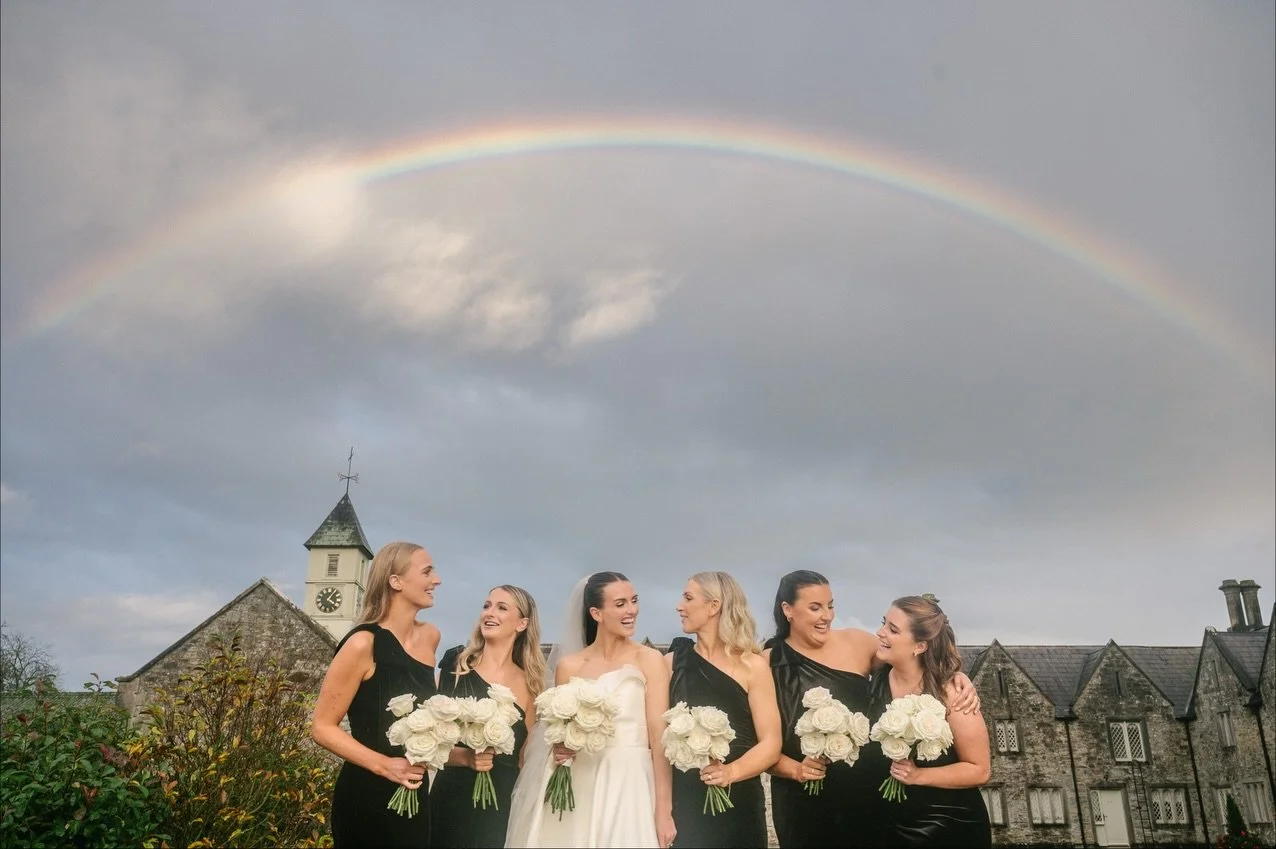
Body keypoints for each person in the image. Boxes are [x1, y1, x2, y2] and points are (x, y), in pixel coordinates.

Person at [763, 571, 980, 849]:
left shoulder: (858, 643)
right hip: (802, 803)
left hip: (868, 797)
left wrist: (953, 675)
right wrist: (796, 770)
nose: (827, 616)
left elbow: (914, 654)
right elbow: (760, 744)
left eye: (830, 605)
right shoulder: (766, 663)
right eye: (815, 608)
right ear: (788, 609)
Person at [505, 571, 676, 849]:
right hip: (580, 780)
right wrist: (560, 749)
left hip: (630, 782)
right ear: (596, 613)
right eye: (620, 604)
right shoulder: (569, 666)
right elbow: (558, 731)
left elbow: (659, 738)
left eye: (634, 601)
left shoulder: (649, 659)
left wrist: (663, 810)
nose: (631, 610)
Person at [312, 542, 442, 849]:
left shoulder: (430, 637)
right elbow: (322, 727)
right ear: (395, 581)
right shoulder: (362, 644)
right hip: (366, 797)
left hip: (414, 794)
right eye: (427, 572)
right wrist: (385, 765)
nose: (436, 580)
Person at [664, 571, 780, 848]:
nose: (679, 606)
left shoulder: (753, 666)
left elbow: (771, 742)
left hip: (739, 801)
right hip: (686, 802)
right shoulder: (671, 664)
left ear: (713, 606)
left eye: (688, 598)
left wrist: (731, 772)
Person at [870, 595, 992, 847]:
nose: (880, 633)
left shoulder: (953, 694)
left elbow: (979, 770)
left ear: (920, 646)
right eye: (883, 623)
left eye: (893, 629)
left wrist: (918, 775)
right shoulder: (875, 677)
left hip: (949, 825)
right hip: (888, 823)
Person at [429, 585, 545, 848]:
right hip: (450, 802)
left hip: (499, 807)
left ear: (522, 623)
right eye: (486, 606)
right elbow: (425, 741)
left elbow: (524, 760)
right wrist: (465, 757)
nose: (489, 613)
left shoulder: (531, 686)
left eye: (501, 608)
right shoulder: (455, 668)